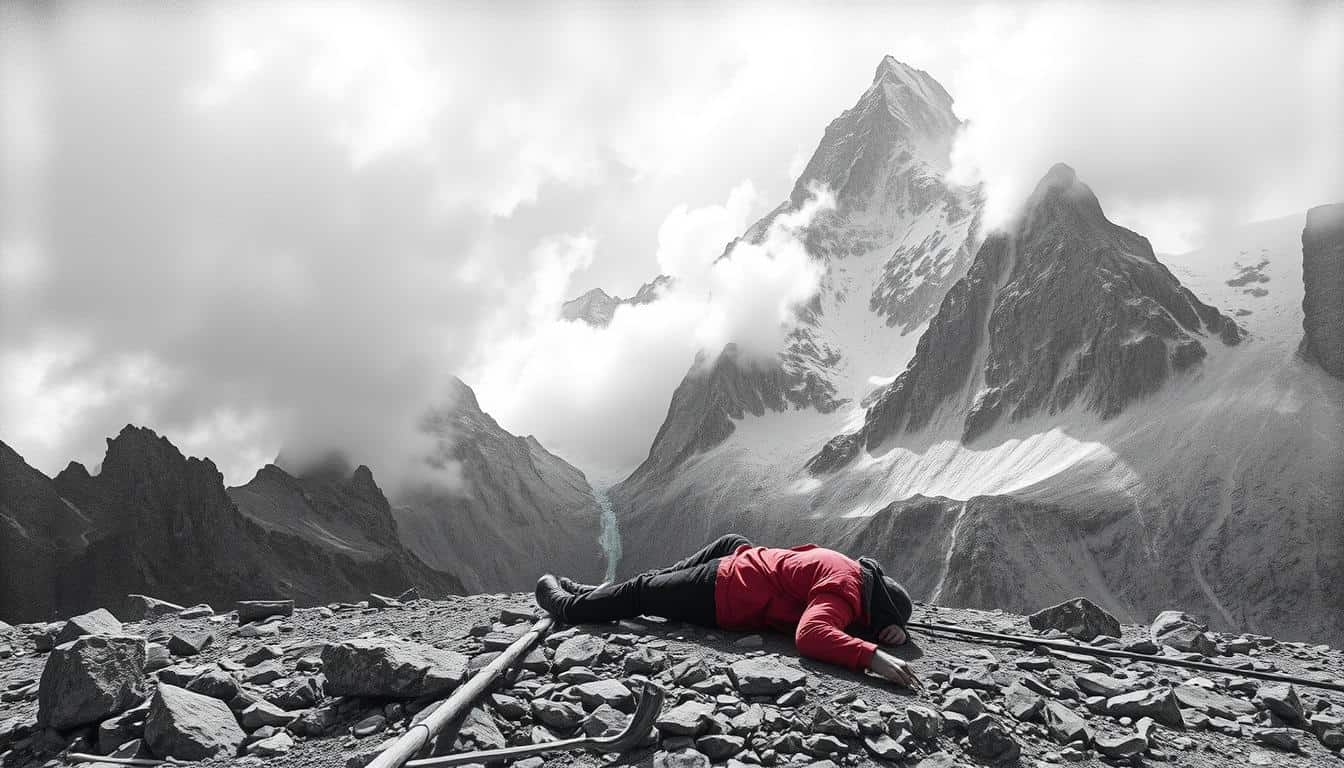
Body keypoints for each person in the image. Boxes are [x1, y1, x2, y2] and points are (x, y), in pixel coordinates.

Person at [534, 534, 920, 689]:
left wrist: (887, 627)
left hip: (744, 562)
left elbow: (796, 560)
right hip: (724, 591)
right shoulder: (843, 593)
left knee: (725, 544)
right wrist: (873, 653)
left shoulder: (844, 565)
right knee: (641, 594)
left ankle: (605, 593)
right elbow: (810, 635)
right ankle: (566, 606)